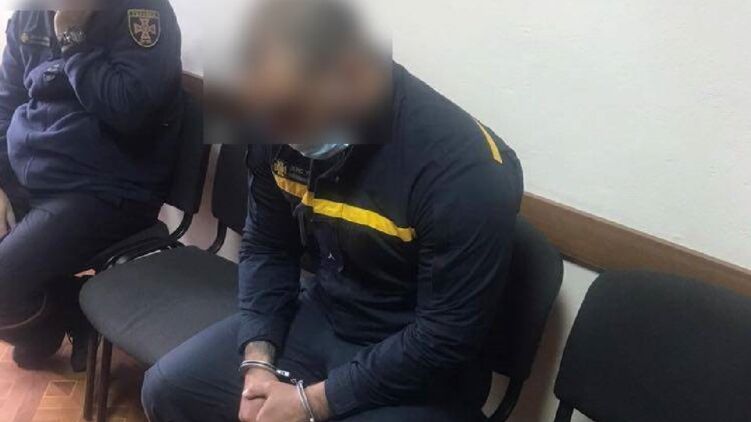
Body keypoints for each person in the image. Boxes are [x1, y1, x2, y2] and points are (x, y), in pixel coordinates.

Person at [142, 0, 524, 421]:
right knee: (169, 389)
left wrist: (309, 404)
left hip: (418, 362)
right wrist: (257, 361)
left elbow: (443, 338)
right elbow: (268, 245)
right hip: (322, 316)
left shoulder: (467, 173)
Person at [0, 0, 183, 371]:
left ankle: (72, 309)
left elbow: (129, 110)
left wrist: (72, 38)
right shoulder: (29, 13)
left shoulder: (143, 11)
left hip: (104, 186)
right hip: (32, 176)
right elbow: (5, 104)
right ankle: (61, 316)